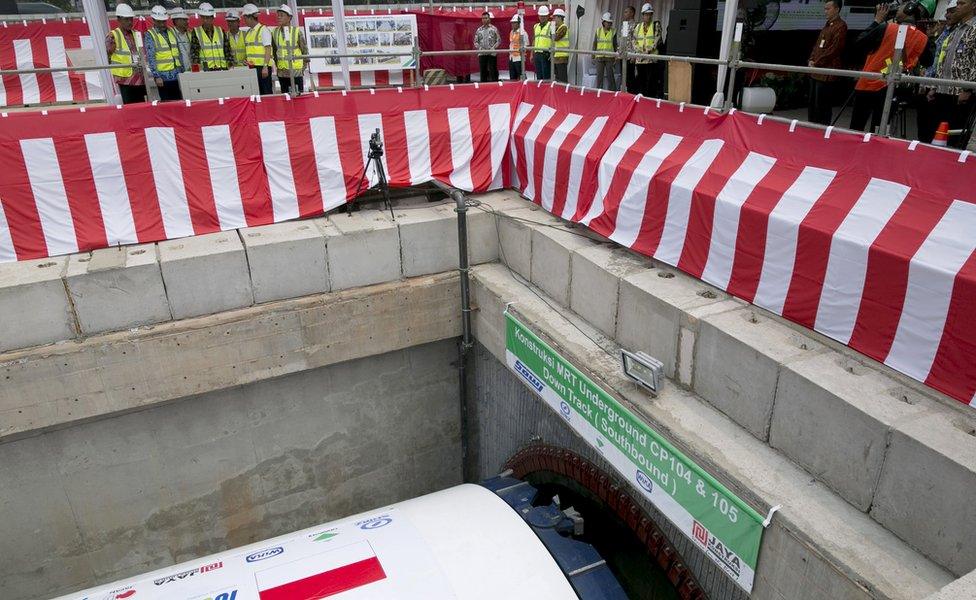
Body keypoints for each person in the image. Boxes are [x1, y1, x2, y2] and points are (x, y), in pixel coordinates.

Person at [850, 2, 930, 132]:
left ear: (908, 11)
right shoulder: (923, 38)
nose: (896, 10)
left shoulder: (887, 27)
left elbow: (859, 41)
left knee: (856, 127)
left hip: (869, 83)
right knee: (880, 130)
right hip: (894, 88)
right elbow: (928, 62)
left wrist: (877, 21)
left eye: (900, 8)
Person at [919, 0, 961, 141]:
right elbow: (935, 57)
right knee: (924, 129)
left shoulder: (960, 32)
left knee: (935, 131)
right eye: (947, 12)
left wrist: (933, 87)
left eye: (952, 11)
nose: (947, 15)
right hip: (929, 84)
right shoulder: (945, 32)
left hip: (940, 88)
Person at [941, 0, 976, 147]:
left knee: (955, 138)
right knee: (942, 134)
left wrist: (968, 89)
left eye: (962, 3)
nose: (958, 7)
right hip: (946, 89)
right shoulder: (957, 28)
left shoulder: (974, 28)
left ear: (973, 5)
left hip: (962, 93)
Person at [807, 0, 847, 125]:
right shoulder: (827, 25)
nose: (825, 11)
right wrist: (811, 60)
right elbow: (817, 46)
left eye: (828, 9)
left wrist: (817, 62)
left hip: (826, 73)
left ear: (837, 9)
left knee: (822, 105)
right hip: (815, 71)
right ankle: (811, 126)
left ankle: (822, 129)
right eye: (825, 9)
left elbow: (834, 49)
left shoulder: (841, 26)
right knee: (813, 103)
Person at [105, 3, 146, 104]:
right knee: (129, 107)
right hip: (124, 78)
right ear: (119, 20)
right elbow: (108, 56)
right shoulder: (112, 36)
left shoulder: (136, 34)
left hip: (139, 77)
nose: (130, 22)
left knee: (140, 105)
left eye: (131, 19)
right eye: (126, 19)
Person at [144, 5, 183, 101]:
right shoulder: (150, 35)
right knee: (167, 104)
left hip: (177, 75)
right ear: (153, 20)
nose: (162, 24)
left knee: (179, 103)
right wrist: (156, 76)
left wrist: (182, 70)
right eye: (159, 21)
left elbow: (178, 52)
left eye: (163, 21)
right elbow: (151, 57)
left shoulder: (171, 31)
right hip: (163, 77)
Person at [273, 4, 309, 95]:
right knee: (286, 99)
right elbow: (274, 51)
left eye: (282, 15)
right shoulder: (274, 32)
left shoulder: (296, 32)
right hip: (282, 72)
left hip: (296, 71)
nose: (279, 17)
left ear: (289, 18)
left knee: (299, 99)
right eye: (278, 15)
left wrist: (303, 68)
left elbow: (305, 51)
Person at [242, 3, 274, 95]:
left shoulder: (263, 30)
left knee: (266, 93)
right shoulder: (249, 32)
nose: (244, 21)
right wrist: (246, 60)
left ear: (250, 17)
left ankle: (268, 109)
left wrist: (265, 67)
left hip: (262, 69)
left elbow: (268, 49)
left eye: (245, 18)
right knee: (256, 93)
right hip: (252, 68)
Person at [191, 2, 233, 71]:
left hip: (222, 68)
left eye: (207, 18)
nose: (205, 20)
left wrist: (230, 65)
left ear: (212, 17)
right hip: (205, 70)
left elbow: (227, 50)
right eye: (203, 17)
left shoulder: (220, 30)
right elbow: (194, 53)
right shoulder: (196, 32)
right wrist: (197, 68)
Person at [634, 3, 659, 96]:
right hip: (640, 59)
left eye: (650, 14)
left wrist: (648, 50)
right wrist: (639, 51)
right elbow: (634, 40)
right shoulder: (638, 27)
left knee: (651, 81)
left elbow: (657, 39)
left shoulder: (655, 25)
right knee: (640, 80)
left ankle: (650, 100)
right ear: (643, 15)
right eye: (646, 14)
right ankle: (641, 99)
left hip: (651, 59)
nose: (648, 16)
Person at [593, 12, 617, 90]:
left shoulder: (613, 32)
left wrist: (615, 57)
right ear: (603, 22)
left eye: (610, 22)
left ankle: (613, 92)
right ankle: (599, 92)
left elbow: (615, 45)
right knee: (599, 76)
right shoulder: (598, 31)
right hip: (599, 57)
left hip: (610, 57)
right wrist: (593, 56)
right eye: (608, 22)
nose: (609, 24)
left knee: (610, 76)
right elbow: (595, 44)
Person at [475, 11, 501, 82]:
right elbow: (475, 42)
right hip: (482, 53)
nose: (484, 20)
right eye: (483, 18)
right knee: (483, 70)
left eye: (486, 18)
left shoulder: (494, 29)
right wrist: (480, 48)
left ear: (489, 19)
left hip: (492, 52)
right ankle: (483, 86)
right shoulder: (479, 30)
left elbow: (498, 40)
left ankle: (495, 85)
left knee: (493, 70)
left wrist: (493, 48)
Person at [531, 5, 552, 80]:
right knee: (539, 76)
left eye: (544, 16)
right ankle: (540, 91)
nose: (542, 17)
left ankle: (546, 91)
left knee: (546, 76)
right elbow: (534, 40)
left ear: (548, 16)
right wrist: (531, 54)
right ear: (538, 16)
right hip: (537, 54)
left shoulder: (551, 25)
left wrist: (552, 53)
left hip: (546, 54)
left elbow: (555, 40)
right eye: (541, 16)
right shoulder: (535, 26)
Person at [622, 5, 638, 92]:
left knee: (631, 76)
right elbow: (623, 40)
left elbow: (635, 41)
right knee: (624, 77)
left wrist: (634, 55)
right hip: (624, 55)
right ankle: (626, 93)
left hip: (630, 55)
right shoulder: (625, 25)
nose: (624, 14)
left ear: (632, 13)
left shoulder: (635, 25)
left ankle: (632, 94)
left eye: (626, 12)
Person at [170, 8, 192, 74]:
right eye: (184, 20)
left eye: (186, 19)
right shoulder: (170, 34)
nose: (187, 22)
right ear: (176, 21)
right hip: (178, 72)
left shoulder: (189, 34)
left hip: (192, 70)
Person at [552, 8, 570, 82]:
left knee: (562, 78)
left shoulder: (563, 27)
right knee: (558, 78)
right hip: (557, 56)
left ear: (560, 17)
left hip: (562, 56)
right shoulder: (558, 28)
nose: (554, 19)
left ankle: (564, 92)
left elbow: (555, 38)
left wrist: (552, 30)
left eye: (555, 17)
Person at [509, 14, 527, 81]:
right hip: (511, 57)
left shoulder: (523, 33)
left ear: (519, 23)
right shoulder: (511, 32)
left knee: (521, 76)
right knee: (512, 77)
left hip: (519, 58)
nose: (513, 24)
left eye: (514, 23)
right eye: (512, 23)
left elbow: (526, 44)